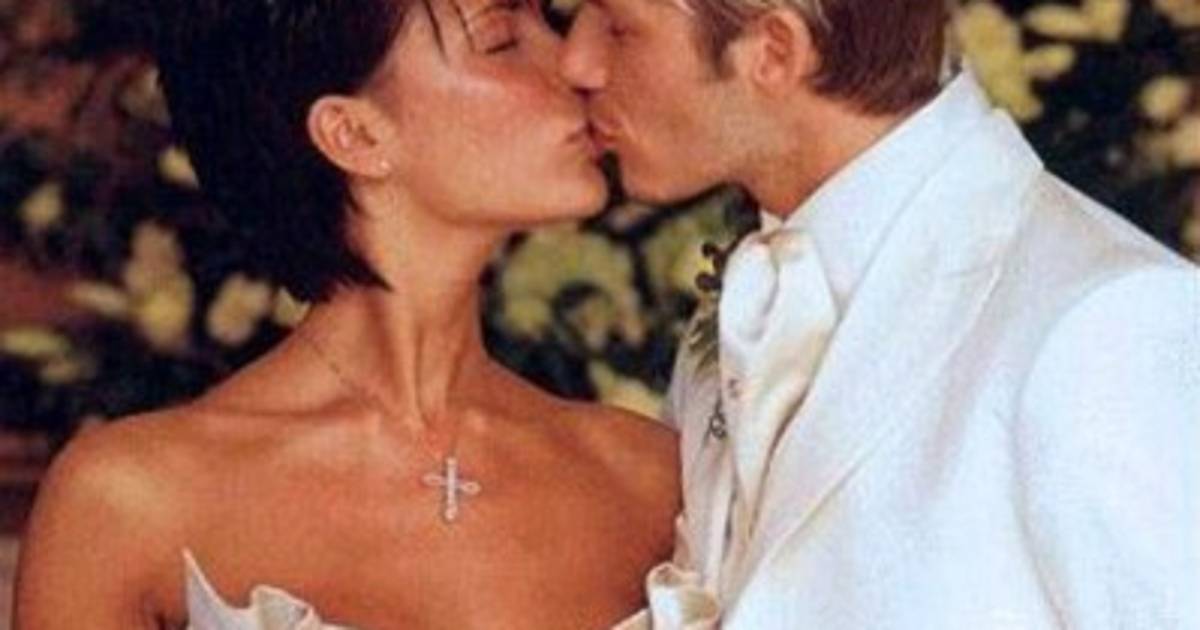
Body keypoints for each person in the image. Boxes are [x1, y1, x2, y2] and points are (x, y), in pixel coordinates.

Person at [13, 0, 679, 627]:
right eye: (502, 40)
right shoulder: (129, 501)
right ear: (354, 134)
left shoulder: (644, 477)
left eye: (547, 17)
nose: (576, 64)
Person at [560, 0, 1200, 627]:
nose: (576, 63)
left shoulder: (1103, 321)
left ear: (775, 51)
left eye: (618, 27)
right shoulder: (744, 306)